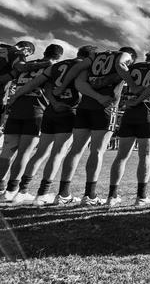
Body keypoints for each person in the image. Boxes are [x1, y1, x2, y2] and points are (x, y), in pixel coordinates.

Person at [5, 46, 96, 205]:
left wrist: (16, 96)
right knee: (58, 153)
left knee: (40, 153)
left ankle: (22, 191)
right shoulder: (86, 66)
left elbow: (38, 84)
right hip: (69, 111)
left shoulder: (56, 66)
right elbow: (83, 86)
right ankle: (42, 194)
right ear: (91, 56)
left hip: (50, 111)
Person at [52, 47, 138, 206]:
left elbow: (79, 81)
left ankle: (63, 193)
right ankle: (89, 195)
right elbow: (120, 63)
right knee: (97, 150)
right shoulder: (123, 57)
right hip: (106, 106)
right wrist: (132, 84)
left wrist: (64, 86)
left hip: (85, 106)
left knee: (75, 150)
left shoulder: (95, 57)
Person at [0, 44, 63, 202]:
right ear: (59, 57)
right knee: (24, 153)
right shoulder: (53, 68)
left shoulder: (27, 66)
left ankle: (1, 188)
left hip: (15, 110)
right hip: (36, 111)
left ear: (44, 52)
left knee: (6, 152)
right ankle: (12, 190)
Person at [106, 51, 150, 207]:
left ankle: (111, 196)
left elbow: (119, 68)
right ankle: (141, 196)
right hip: (147, 113)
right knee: (145, 156)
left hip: (129, 113)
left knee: (121, 155)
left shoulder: (132, 67)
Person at [0, 41, 37, 118]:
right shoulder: (18, 53)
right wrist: (47, 63)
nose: (26, 57)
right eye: (28, 55)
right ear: (26, 49)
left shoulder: (2, 46)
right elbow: (22, 67)